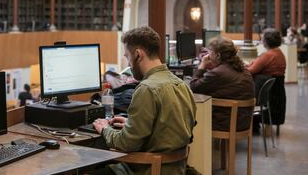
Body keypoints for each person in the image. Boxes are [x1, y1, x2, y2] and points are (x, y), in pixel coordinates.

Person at [92, 26, 196, 175]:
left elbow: (126, 143)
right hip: (177, 169)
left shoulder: (146, 89)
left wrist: (104, 129)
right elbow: (168, 131)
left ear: (138, 54)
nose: (128, 64)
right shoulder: (181, 85)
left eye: (127, 57)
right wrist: (131, 124)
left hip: (149, 169)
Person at [189, 36, 255, 131]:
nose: (207, 55)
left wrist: (202, 65)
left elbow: (193, 87)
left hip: (226, 123)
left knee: (190, 118)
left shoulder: (218, 73)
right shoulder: (242, 68)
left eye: (209, 52)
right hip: (242, 121)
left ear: (218, 55)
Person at [247, 28, 286, 128]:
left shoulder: (268, 55)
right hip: (276, 90)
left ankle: (250, 124)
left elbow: (251, 70)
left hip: (265, 92)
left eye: (262, 39)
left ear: (266, 41)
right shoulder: (278, 53)